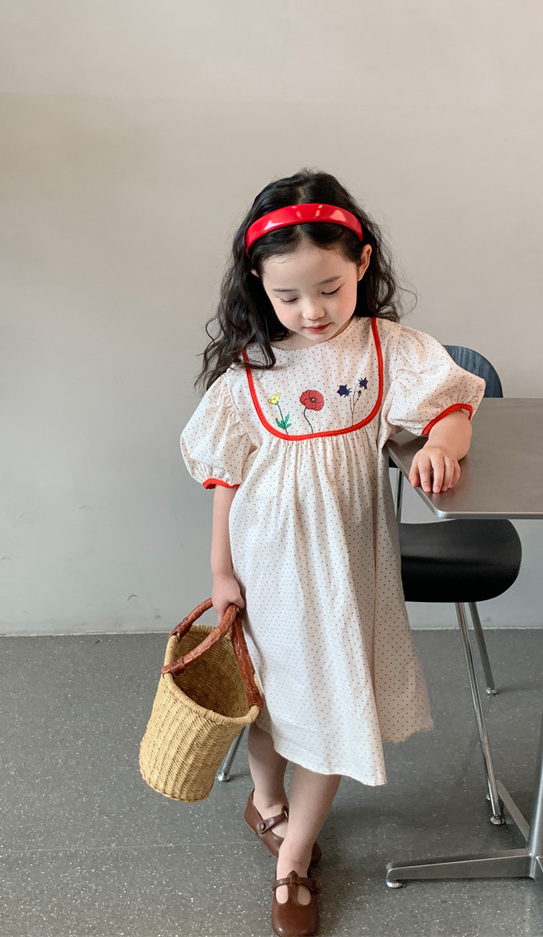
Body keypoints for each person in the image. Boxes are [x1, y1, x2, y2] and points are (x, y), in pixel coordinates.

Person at [180, 169, 485, 937]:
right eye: (289, 296)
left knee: (328, 706)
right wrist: (221, 570)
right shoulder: (251, 372)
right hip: (267, 564)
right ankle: (267, 802)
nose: (312, 311)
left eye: (329, 288)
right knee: (270, 699)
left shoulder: (388, 349)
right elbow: (227, 480)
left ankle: (293, 861)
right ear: (258, 285)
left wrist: (441, 445)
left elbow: (452, 406)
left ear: (361, 264)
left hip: (348, 570)